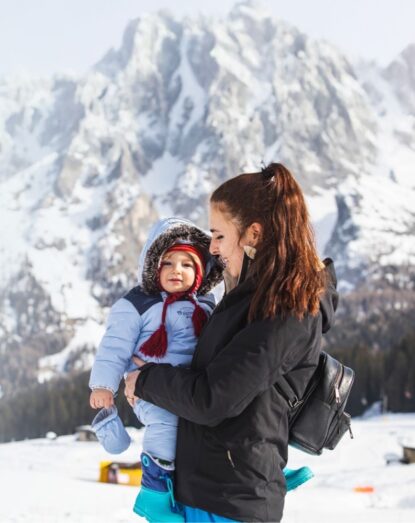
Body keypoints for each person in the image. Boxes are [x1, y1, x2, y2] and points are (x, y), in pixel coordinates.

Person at [125, 163, 339, 523]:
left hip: (231, 504)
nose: (212, 247)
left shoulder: (288, 309)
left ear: (252, 233)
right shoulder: (256, 295)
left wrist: (146, 381)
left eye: (219, 236)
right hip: (210, 494)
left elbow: (214, 397)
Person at [89, 217, 223, 522]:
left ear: (201, 272)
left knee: (227, 416)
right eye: (169, 263)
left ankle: (270, 470)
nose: (178, 270)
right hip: (152, 389)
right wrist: (103, 386)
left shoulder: (207, 306)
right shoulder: (137, 303)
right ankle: (154, 493)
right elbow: (114, 346)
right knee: (166, 424)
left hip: (190, 388)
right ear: (153, 266)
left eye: (187, 265)